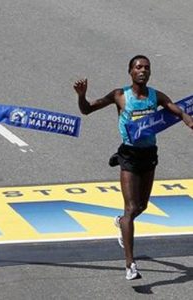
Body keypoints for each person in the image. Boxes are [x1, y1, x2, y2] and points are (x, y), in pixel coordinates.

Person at [73, 55, 193, 280]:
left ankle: (120, 222)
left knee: (141, 207)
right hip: (128, 155)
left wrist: (187, 119)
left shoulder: (155, 96)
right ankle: (130, 264)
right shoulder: (120, 95)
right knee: (130, 208)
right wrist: (81, 96)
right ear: (130, 71)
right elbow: (87, 110)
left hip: (149, 155)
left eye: (146, 68)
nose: (143, 71)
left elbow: (174, 108)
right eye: (138, 67)